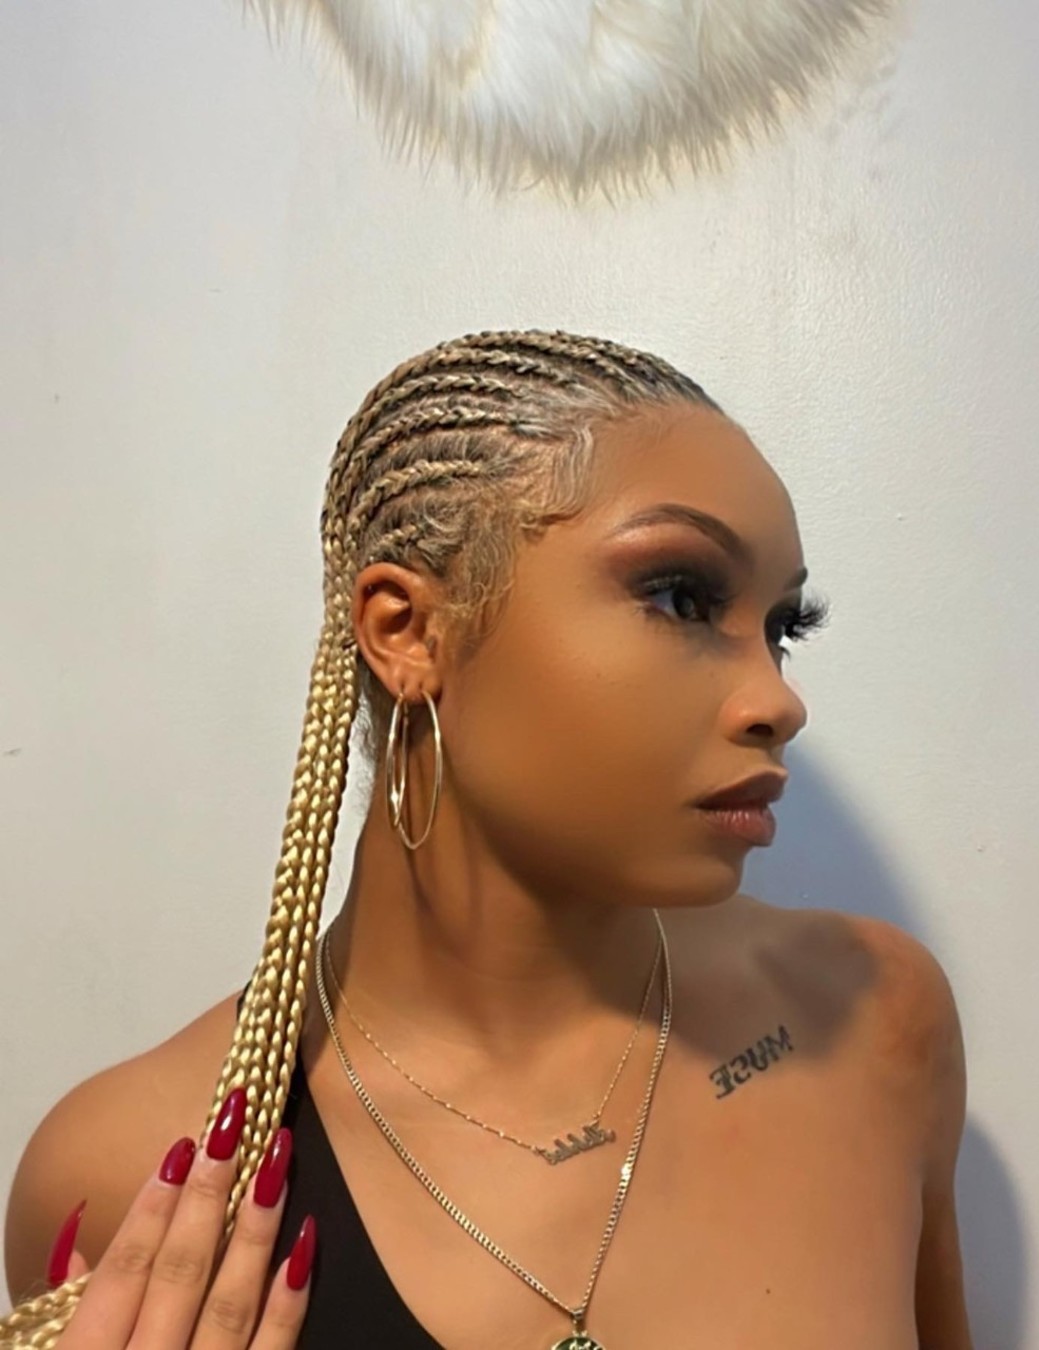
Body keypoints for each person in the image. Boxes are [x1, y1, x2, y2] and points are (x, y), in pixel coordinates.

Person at [2, 328, 973, 1349]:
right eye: (681, 597)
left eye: (781, 628)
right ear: (407, 631)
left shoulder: (872, 1022)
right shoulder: (138, 1171)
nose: (778, 701)